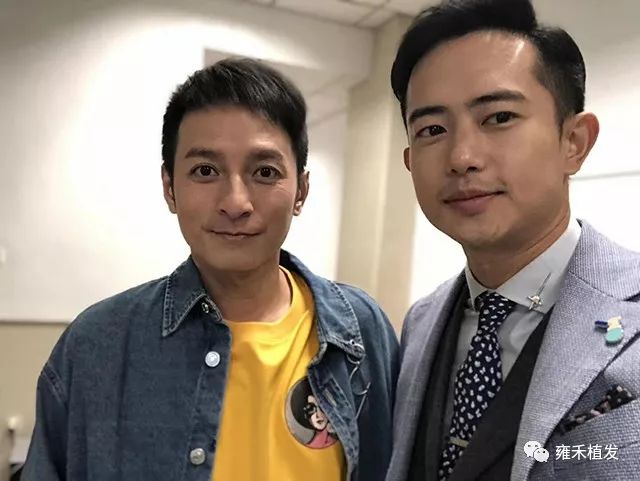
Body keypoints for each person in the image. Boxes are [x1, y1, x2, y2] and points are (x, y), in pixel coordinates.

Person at [22, 58, 399, 481]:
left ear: (301, 191)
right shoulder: (96, 347)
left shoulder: (361, 332)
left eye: (265, 172)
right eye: (205, 171)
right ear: (170, 188)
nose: (236, 202)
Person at [385, 1, 640, 480]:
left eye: (499, 117)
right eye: (432, 129)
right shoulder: (420, 322)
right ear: (409, 161)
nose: (462, 157)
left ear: (574, 142)